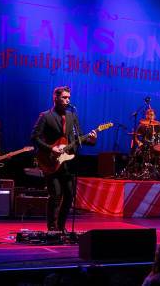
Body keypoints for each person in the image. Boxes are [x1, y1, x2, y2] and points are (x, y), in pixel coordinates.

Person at [31, 86, 97, 232]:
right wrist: (51, 148)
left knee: (69, 196)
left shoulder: (72, 116)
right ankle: (52, 227)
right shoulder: (46, 116)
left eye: (69, 97)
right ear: (55, 98)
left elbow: (78, 137)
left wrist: (91, 139)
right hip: (51, 161)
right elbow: (34, 137)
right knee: (55, 195)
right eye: (64, 97)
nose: (68, 100)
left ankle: (61, 226)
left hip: (69, 163)